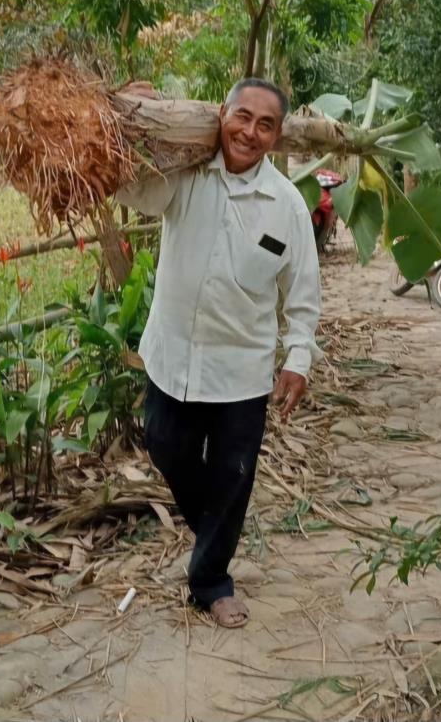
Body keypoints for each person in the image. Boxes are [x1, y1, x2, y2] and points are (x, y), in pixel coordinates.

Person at [117, 77, 321, 628]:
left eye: (265, 124)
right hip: (172, 357)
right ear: (221, 115)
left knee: (233, 475)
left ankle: (210, 581)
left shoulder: (286, 207)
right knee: (164, 446)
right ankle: (217, 529)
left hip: (241, 370)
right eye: (242, 116)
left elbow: (302, 294)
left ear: (276, 137)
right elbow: (134, 190)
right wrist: (128, 116)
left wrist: (298, 359)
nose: (248, 132)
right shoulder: (185, 178)